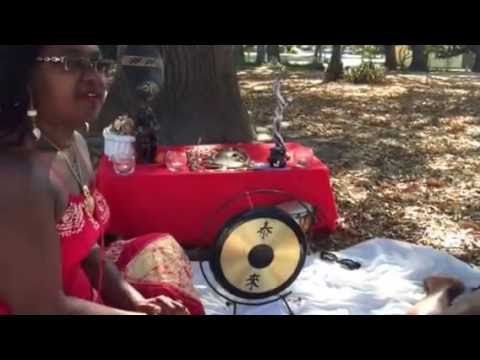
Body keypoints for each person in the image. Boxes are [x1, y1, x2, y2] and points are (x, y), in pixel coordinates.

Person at [0, 45, 205, 315]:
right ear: (25, 77)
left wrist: (135, 302)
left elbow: (88, 249)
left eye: (97, 63)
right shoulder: (18, 177)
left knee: (161, 250)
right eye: (71, 63)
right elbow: (42, 307)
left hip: (81, 297)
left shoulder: (75, 145)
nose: (94, 79)